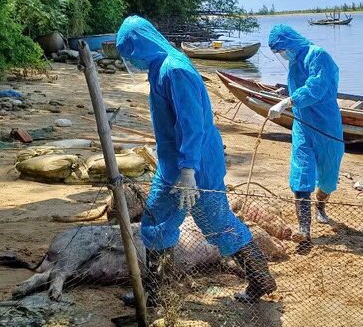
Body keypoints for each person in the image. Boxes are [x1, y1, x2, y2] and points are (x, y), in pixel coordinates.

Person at [115, 16, 276, 304]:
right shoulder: (160, 66)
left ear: (142, 45)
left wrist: (188, 170)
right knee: (166, 223)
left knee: (208, 223)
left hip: (194, 166)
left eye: (131, 54)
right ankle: (157, 291)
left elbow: (192, 125)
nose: (133, 62)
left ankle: (258, 278)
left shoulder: (175, 70)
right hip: (176, 163)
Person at [267, 24, 344, 252]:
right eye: (277, 52)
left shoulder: (317, 55)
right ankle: (305, 232)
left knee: (328, 177)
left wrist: (288, 102)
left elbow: (316, 87)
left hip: (326, 125)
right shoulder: (294, 61)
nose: (281, 54)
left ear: (290, 42)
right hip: (302, 124)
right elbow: (297, 86)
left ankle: (320, 206)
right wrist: (286, 96)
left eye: (281, 49)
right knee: (301, 174)